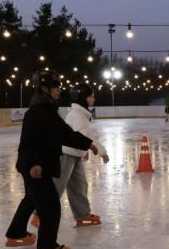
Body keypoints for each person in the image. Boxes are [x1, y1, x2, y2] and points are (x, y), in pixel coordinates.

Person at [5, 70, 98, 249]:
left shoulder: (47, 110)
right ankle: (47, 248)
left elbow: (66, 134)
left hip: (36, 165)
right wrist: (33, 164)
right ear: (45, 89)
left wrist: (88, 144)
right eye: (55, 87)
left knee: (31, 200)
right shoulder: (37, 112)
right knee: (51, 207)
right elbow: (28, 141)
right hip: (36, 167)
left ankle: (16, 234)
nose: (59, 90)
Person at [30, 83, 110, 229]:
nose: (93, 99)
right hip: (65, 155)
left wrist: (84, 151)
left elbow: (81, 136)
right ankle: (39, 215)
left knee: (79, 185)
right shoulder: (78, 115)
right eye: (91, 96)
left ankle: (83, 215)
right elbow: (85, 136)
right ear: (82, 98)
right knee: (57, 186)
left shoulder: (80, 114)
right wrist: (101, 152)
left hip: (74, 155)